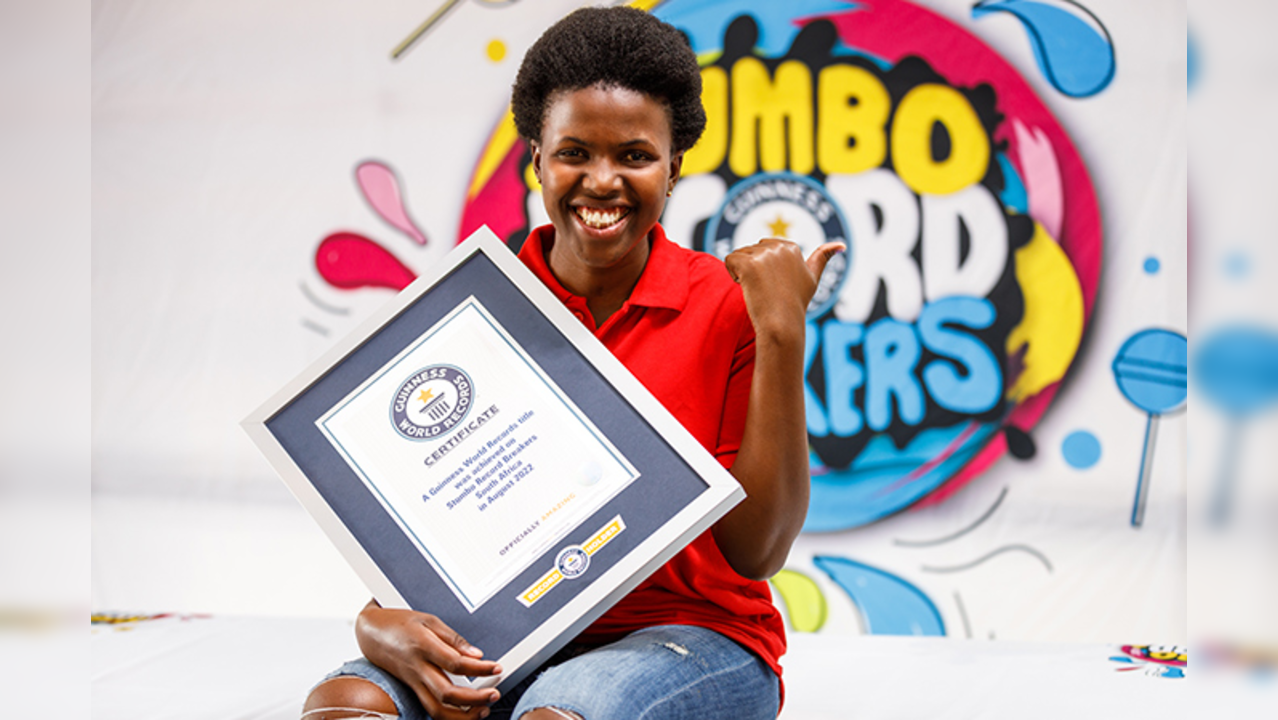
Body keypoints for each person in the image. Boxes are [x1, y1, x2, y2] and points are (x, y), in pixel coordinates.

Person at [303, 7, 842, 720]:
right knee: (348, 701)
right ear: (537, 159)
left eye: (635, 156)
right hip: (513, 635)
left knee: (563, 711)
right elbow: (442, 512)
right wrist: (378, 623)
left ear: (673, 167)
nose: (602, 181)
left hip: (693, 635)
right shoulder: (480, 307)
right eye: (575, 152)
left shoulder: (724, 305)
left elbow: (758, 552)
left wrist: (782, 335)